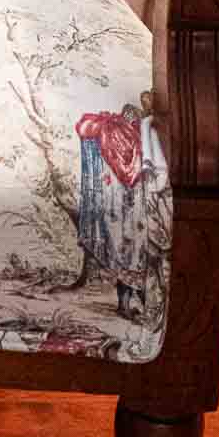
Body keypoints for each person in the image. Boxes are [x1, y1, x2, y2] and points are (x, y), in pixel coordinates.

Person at [65, 93, 163, 315]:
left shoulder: (132, 138)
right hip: (132, 228)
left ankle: (131, 305)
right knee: (131, 261)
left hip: (133, 226)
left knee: (133, 262)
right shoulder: (129, 138)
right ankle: (127, 306)